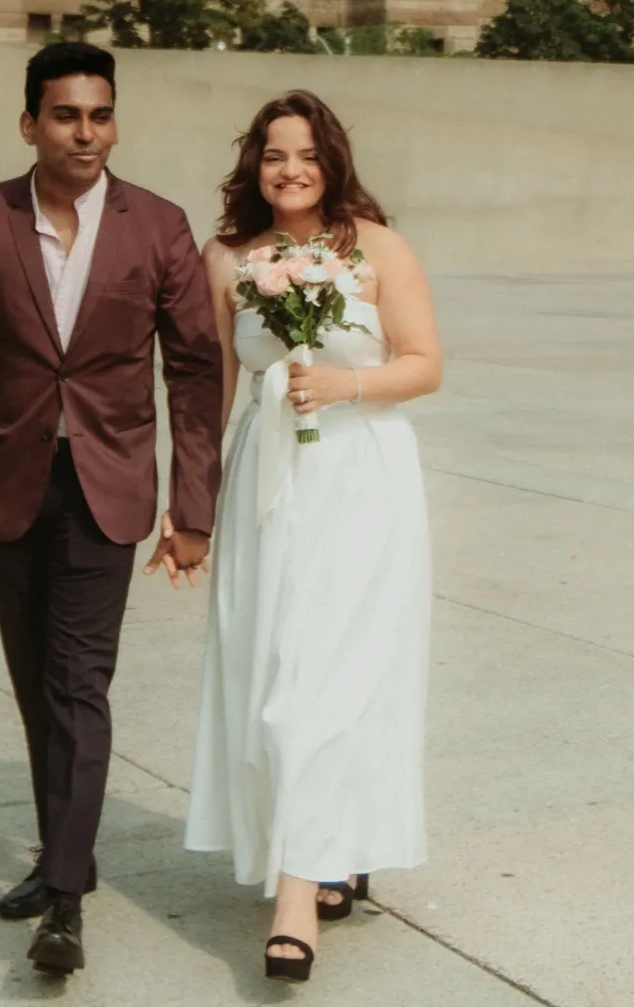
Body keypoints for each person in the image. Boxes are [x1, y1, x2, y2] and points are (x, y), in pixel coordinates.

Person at [0, 41, 223, 977]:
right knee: (36, 683)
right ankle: (64, 845)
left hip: (107, 490)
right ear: (29, 122)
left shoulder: (158, 227)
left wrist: (194, 506)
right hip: (4, 487)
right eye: (67, 115)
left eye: (101, 114)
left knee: (79, 684)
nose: (87, 132)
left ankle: (65, 899)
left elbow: (195, 372)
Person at [182, 90, 441, 983]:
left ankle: (297, 894)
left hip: (362, 481)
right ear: (253, 166)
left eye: (306, 156)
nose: (289, 170)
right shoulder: (226, 258)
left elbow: (425, 363)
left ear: (332, 162)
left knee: (328, 680)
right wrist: (196, 503)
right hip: (267, 479)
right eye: (272, 156)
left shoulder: (377, 248)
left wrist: (342, 388)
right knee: (274, 676)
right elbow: (216, 385)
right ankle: (326, 844)